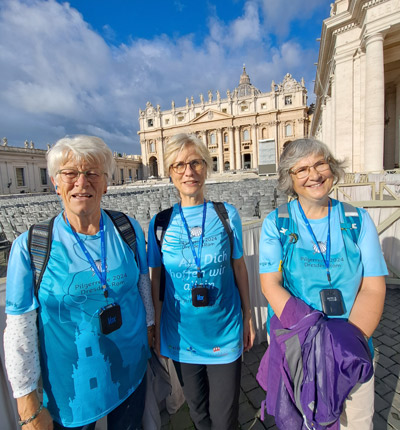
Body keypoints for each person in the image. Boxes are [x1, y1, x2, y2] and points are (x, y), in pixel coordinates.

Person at [4, 135, 155, 430]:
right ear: (55, 182)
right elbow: (19, 331)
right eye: (70, 173)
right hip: (70, 392)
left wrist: (150, 327)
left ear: (106, 182)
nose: (81, 183)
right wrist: (28, 407)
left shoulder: (128, 228)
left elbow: (141, 287)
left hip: (131, 370)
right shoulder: (30, 247)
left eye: (92, 173)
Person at [259, 138, 387, 429]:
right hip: (298, 343)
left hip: (352, 346)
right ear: (289, 179)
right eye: (301, 169)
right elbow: (271, 285)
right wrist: (314, 341)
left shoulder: (357, 219)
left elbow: (373, 287)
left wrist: (342, 345)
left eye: (320, 163)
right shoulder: (276, 223)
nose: (313, 175)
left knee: (356, 422)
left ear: (332, 167)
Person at [147, 133, 255, 430]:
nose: (188, 171)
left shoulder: (226, 214)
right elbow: (157, 280)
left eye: (195, 162)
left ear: (206, 167)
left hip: (224, 331)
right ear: (169, 173)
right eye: (179, 165)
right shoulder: (159, 224)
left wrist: (248, 315)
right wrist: (155, 327)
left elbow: (239, 267)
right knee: (198, 414)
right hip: (181, 337)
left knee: (224, 419)